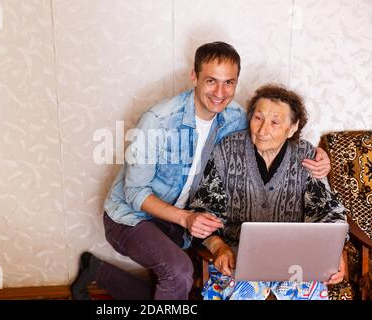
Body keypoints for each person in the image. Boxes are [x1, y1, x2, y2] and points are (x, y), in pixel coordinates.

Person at [71, 42, 331, 300]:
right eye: (211, 81)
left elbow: (272, 131)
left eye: (229, 82)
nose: (220, 92)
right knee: (178, 272)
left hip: (179, 218)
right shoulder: (158, 121)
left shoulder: (235, 117)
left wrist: (318, 157)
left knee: (184, 289)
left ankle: (96, 270)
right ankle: (102, 271)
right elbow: (135, 192)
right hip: (130, 216)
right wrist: (186, 219)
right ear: (194, 77)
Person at [189, 84, 347, 300]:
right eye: (258, 118)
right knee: (243, 292)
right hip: (236, 254)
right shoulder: (226, 150)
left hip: (295, 258)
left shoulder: (306, 154)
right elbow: (203, 210)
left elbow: (327, 210)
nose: (263, 130)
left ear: (292, 128)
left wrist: (332, 252)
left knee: (308, 291)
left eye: (275, 122)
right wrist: (218, 247)